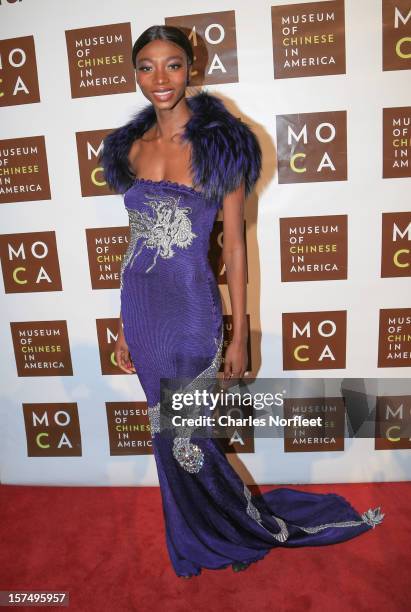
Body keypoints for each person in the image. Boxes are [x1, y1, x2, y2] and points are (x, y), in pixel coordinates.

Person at [100, 25, 384, 578]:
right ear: (135, 74)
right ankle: (191, 533)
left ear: (191, 69)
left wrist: (240, 332)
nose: (160, 79)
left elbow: (234, 244)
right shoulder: (131, 148)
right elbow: (136, 242)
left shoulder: (220, 144)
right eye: (147, 67)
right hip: (142, 308)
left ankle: (227, 529)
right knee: (165, 433)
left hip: (190, 310)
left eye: (173, 65)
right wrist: (120, 326)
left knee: (190, 434)